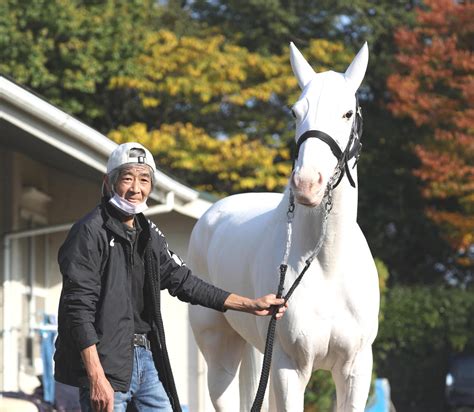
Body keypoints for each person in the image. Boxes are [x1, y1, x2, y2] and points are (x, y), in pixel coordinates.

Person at [54, 142, 287, 412]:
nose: (135, 189)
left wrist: (250, 305)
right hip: (104, 363)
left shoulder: (148, 234)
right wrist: (95, 376)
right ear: (109, 182)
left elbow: (185, 282)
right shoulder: (89, 232)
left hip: (146, 358)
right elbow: (77, 310)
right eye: (127, 178)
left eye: (144, 179)